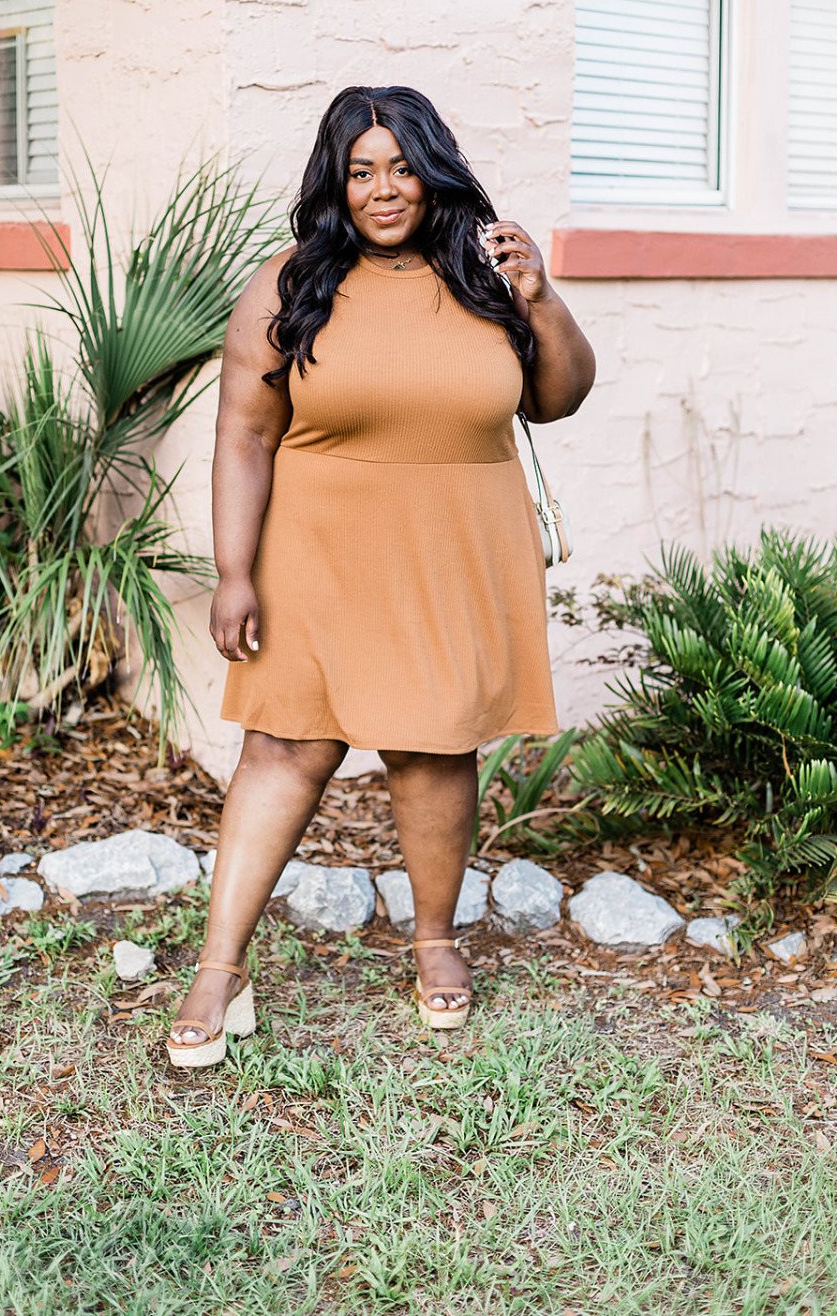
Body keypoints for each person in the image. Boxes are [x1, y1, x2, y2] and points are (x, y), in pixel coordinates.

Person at [167, 85, 595, 1066]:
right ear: (336, 181)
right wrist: (234, 571)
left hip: (452, 547)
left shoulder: (485, 272)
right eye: (361, 170)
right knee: (285, 748)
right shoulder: (289, 282)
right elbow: (242, 434)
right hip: (317, 546)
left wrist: (542, 297)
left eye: (401, 165)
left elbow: (559, 398)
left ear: (432, 170)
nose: (383, 188)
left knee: (434, 748)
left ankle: (435, 941)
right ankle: (219, 968)